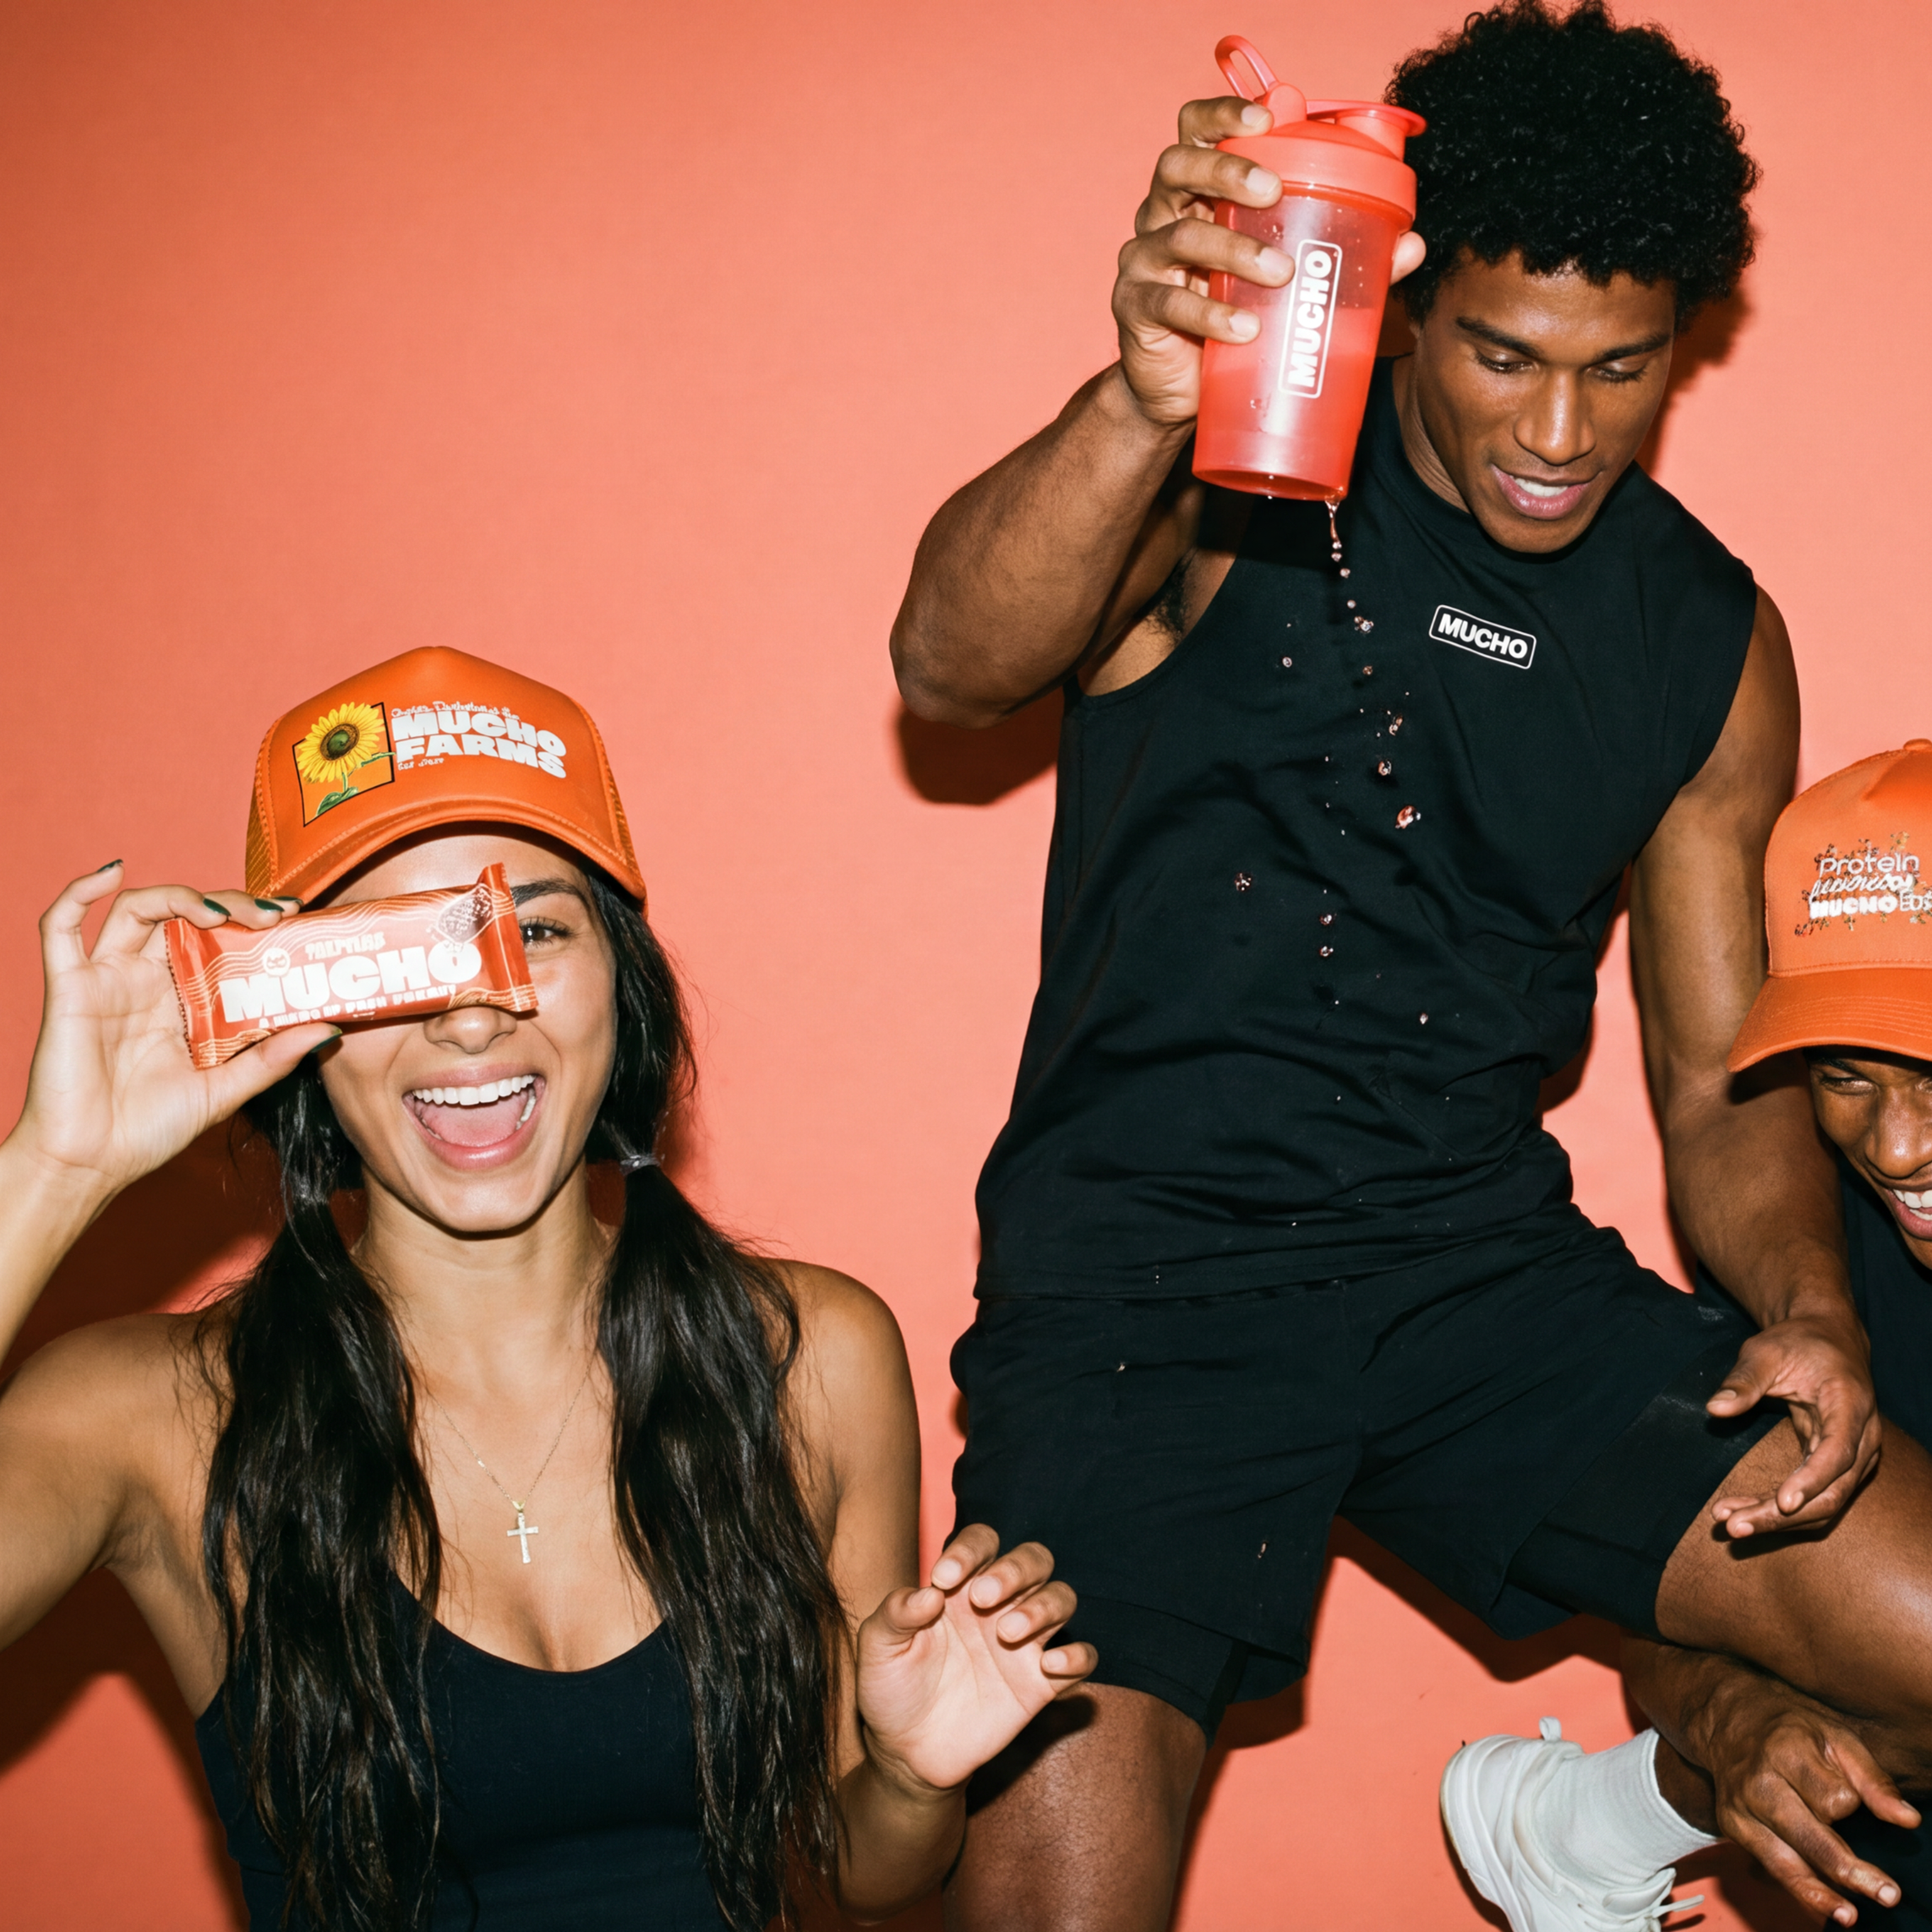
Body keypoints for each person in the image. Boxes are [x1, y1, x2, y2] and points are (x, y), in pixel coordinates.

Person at [891, 4, 1932, 1927]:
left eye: (1622, 370)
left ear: (1681, 341)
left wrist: (1815, 1314)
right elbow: (948, 670)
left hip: (1478, 1281)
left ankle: (1618, 1802)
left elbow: (1718, 1087)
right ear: (1412, 299)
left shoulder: (1707, 639)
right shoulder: (1236, 463)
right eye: (1506, 357)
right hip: (1152, 1292)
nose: (1562, 433)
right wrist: (1139, 394)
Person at [0, 644, 1094, 1930]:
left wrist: (910, 1778)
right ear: (286, 1011)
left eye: (528, 927)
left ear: (621, 989)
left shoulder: (809, 1351)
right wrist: (56, 1168)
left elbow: (854, 1868)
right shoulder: (146, 1415)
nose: (471, 1013)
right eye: (396, 952)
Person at [1445, 740, 1932, 1932]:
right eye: (1843, 1075)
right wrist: (1731, 1731)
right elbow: (1671, 1613)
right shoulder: (1814, 1263)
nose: (1897, 1147)